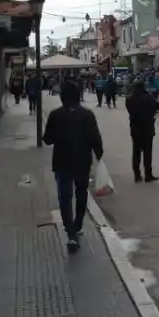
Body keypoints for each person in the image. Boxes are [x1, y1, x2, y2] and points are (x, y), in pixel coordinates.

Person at [42, 81, 104, 254]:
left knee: (65, 197)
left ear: (62, 97)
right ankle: (78, 224)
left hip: (62, 162)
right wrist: (99, 156)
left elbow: (47, 139)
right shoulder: (88, 115)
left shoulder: (55, 115)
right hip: (82, 162)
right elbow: (96, 139)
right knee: (81, 192)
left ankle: (70, 233)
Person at [125, 80, 159, 183]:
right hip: (147, 127)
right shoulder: (148, 97)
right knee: (147, 152)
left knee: (136, 152)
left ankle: (137, 175)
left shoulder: (129, 98)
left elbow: (130, 110)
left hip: (135, 128)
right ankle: (148, 175)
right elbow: (158, 105)